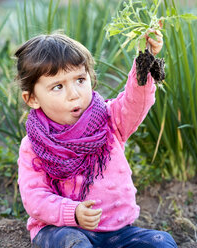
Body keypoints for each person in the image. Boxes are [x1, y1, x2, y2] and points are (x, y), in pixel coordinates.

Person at [15, 29, 177, 248]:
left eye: (80, 80)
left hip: (117, 232)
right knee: (74, 243)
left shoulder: (110, 120)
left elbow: (135, 102)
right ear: (32, 98)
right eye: (58, 86)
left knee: (161, 242)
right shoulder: (34, 145)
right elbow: (34, 197)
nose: (74, 93)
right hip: (62, 229)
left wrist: (146, 58)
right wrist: (72, 213)